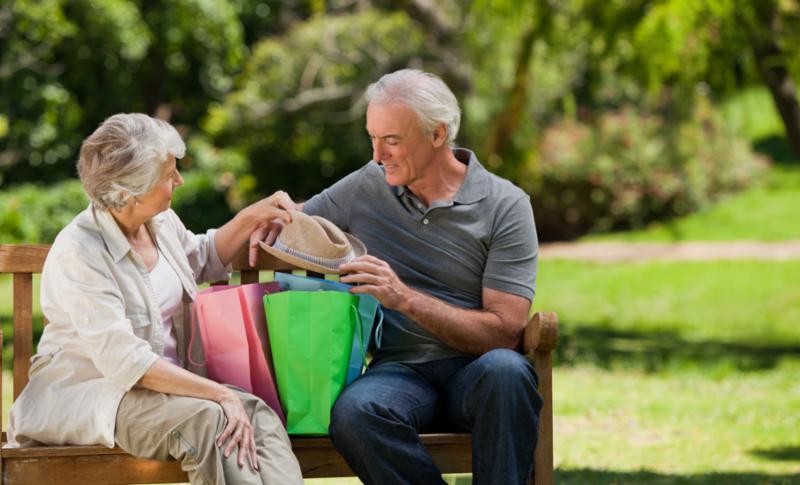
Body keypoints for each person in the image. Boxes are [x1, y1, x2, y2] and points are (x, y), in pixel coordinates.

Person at [252, 69, 542, 485]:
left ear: (438, 134)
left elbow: (506, 332)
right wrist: (267, 223)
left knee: (508, 372)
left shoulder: (505, 205)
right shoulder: (366, 187)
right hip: (400, 371)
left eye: (391, 140)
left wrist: (404, 298)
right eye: (373, 137)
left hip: (476, 370)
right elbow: (298, 222)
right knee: (356, 413)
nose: (376, 155)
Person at [8, 113, 304, 485]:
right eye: (168, 176)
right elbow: (127, 364)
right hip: (98, 396)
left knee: (255, 412)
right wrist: (218, 394)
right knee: (212, 420)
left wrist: (250, 216)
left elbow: (201, 256)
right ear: (129, 191)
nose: (178, 180)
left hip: (165, 392)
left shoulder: (159, 223)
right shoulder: (79, 252)